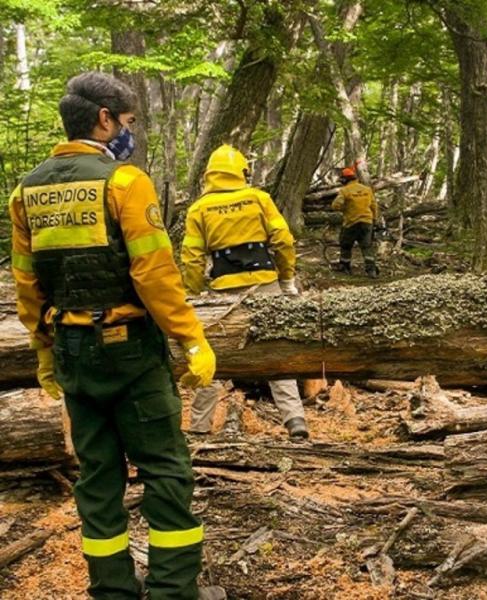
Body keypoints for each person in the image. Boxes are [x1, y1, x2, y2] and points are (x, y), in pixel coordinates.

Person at [9, 72, 224, 599]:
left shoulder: (26, 191)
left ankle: (111, 591)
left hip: (71, 352)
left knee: (97, 476)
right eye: (127, 122)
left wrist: (43, 350)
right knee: (165, 469)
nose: (128, 132)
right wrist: (191, 338)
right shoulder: (124, 182)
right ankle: (174, 591)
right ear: (104, 119)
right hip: (129, 349)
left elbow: (26, 283)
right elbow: (154, 272)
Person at [181, 144, 309, 440]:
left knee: (214, 358)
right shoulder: (259, 199)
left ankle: (199, 427)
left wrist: (197, 290)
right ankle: (295, 421)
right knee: (277, 354)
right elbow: (283, 241)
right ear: (242, 172)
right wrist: (287, 279)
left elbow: (191, 257)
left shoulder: (199, 209)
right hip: (265, 286)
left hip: (224, 292)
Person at [331, 166, 379, 278]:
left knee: (346, 245)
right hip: (367, 221)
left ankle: (345, 266)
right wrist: (374, 219)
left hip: (351, 222)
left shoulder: (345, 190)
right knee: (367, 246)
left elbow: (335, 205)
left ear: (345, 180)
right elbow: (374, 206)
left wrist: (345, 209)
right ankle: (371, 270)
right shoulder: (367, 190)